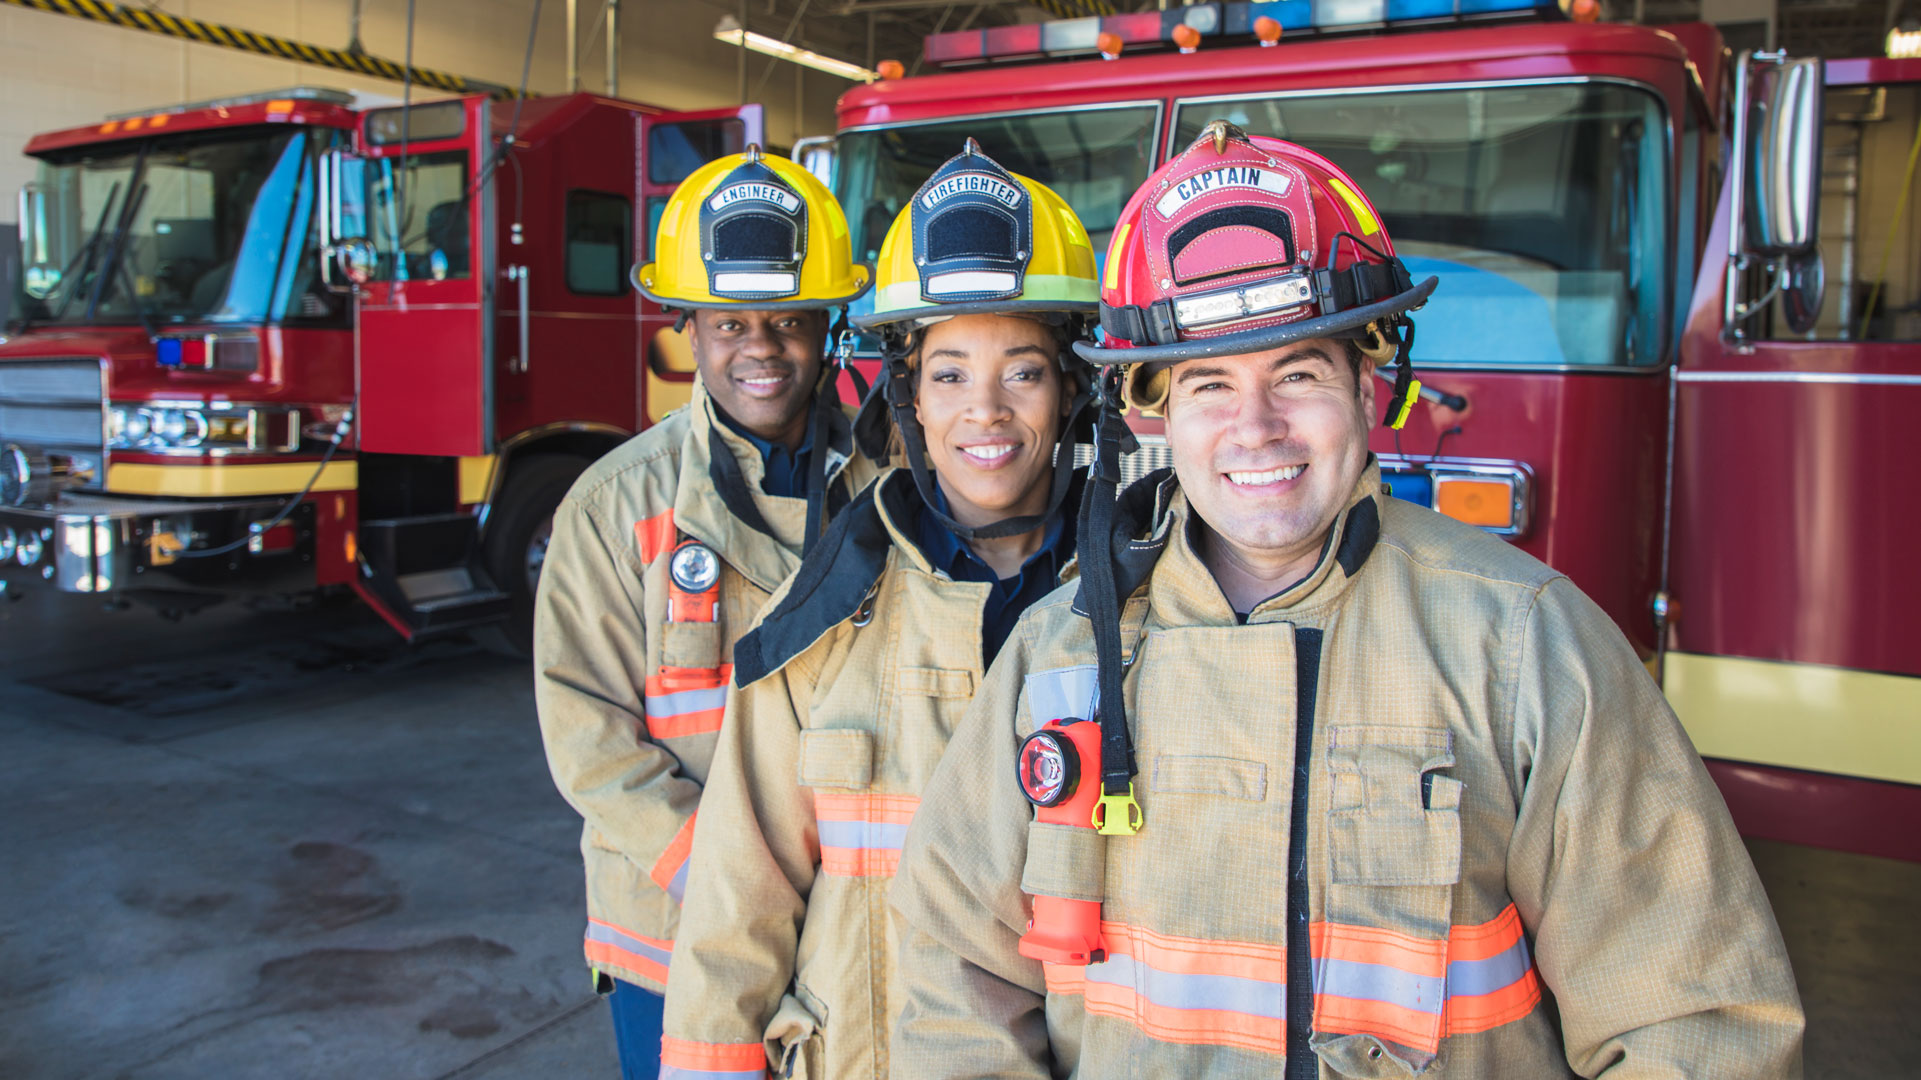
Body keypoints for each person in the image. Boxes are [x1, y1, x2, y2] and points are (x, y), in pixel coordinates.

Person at [888, 123, 1805, 1079]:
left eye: (1298, 373)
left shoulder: (1523, 642)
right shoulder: (1058, 654)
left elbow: (1693, 1023)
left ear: (1371, 386)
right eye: (1210, 384)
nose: (1256, 428)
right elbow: (952, 989)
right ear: (1150, 412)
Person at [655, 142, 1099, 1080]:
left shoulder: (1144, 610)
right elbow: (735, 914)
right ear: (906, 397)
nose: (984, 410)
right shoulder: (817, 619)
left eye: (1022, 371)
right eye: (947, 374)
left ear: (1071, 393)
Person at [534, 145, 879, 1080]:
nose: (759, 349)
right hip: (675, 929)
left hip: (855, 925)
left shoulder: (893, 492)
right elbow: (590, 743)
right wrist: (737, 886)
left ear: (830, 328)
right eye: (729, 323)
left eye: (788, 322)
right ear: (687, 328)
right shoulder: (613, 505)